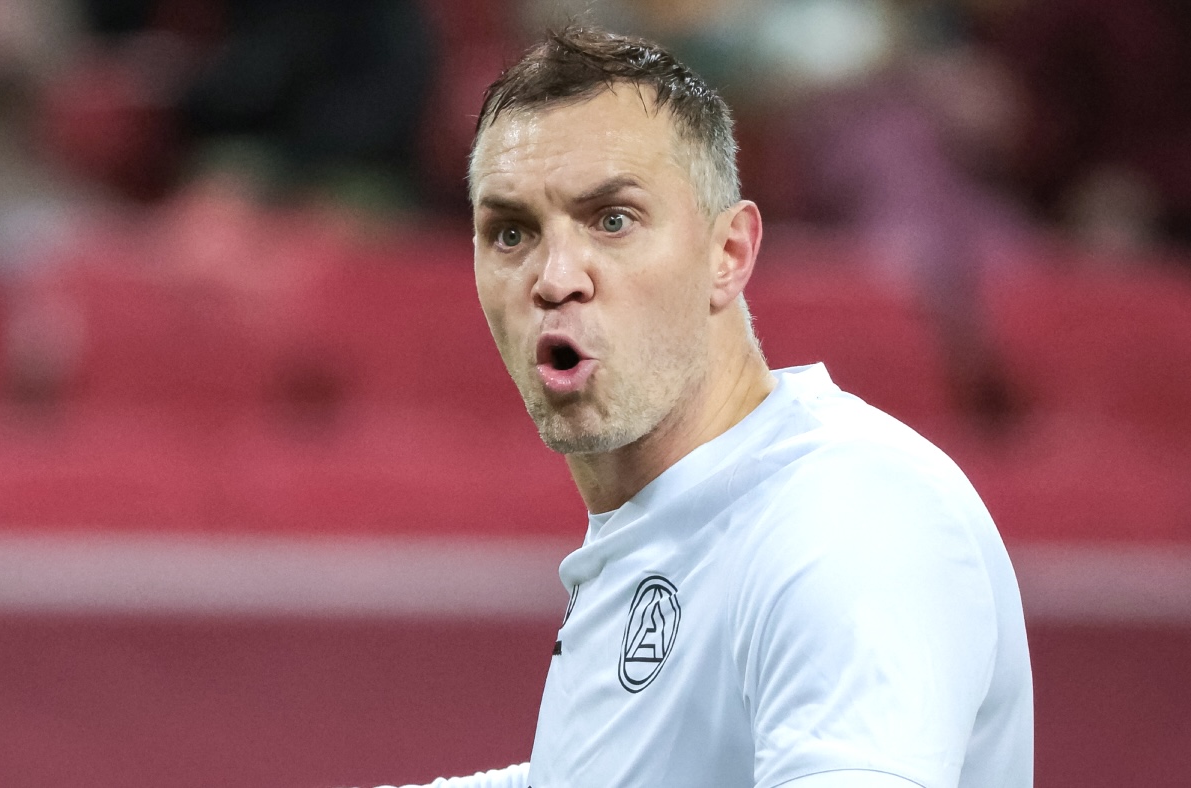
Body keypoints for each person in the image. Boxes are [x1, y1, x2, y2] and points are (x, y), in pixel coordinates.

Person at [373, 26, 1032, 788]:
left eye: (612, 220)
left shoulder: (847, 515)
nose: (555, 279)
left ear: (729, 254)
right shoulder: (667, 521)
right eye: (511, 232)